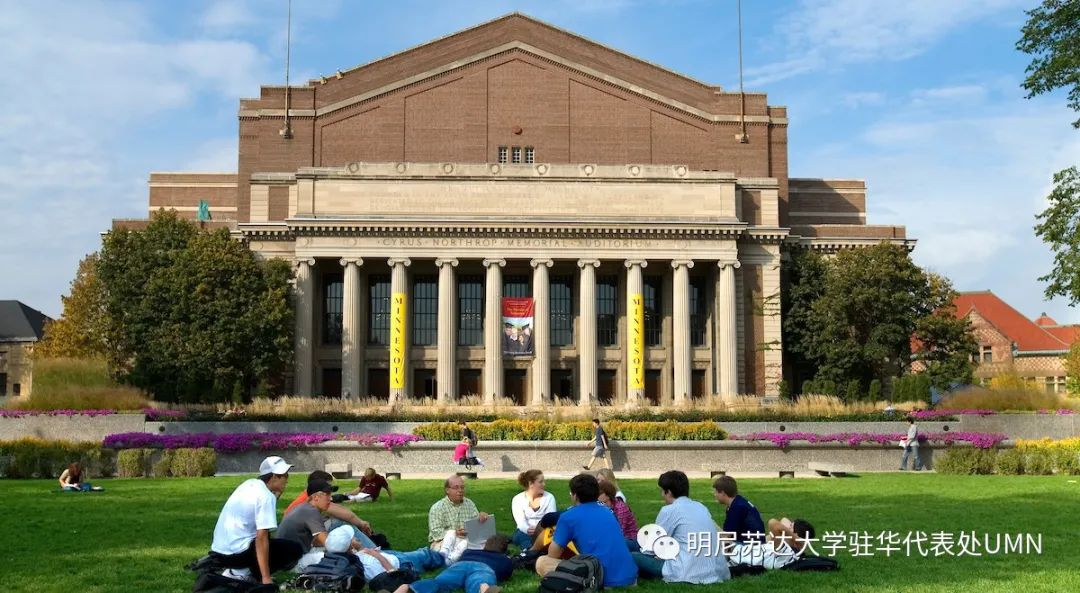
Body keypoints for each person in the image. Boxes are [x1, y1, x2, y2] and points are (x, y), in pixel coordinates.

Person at [208, 456, 303, 585]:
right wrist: (266, 578)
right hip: (236, 555)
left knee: (271, 541)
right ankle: (241, 573)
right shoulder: (265, 496)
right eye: (285, 476)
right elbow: (261, 538)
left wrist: (276, 496)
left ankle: (242, 571)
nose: (287, 480)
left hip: (219, 551)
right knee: (294, 549)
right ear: (274, 477)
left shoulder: (250, 484)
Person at [535, 473, 637, 587]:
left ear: (575, 496)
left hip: (599, 578)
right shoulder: (608, 511)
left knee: (542, 562)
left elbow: (553, 554)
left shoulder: (568, 517)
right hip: (630, 577)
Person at [632, 471, 730, 584]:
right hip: (714, 570)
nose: (662, 495)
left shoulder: (669, 510)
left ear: (668, 492)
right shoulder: (701, 507)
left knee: (631, 556)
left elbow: (652, 548)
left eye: (662, 491)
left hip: (684, 571)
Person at [381, 534, 513, 593]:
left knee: (439, 582)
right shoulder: (503, 560)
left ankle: (407, 589)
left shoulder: (469, 551)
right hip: (483, 568)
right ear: (503, 550)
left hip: (460, 565)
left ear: (485, 545)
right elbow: (504, 572)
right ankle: (483, 588)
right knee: (479, 580)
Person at [284, 470, 378, 548]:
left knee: (338, 526)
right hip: (295, 553)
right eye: (327, 493)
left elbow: (338, 509)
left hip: (295, 547)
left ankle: (371, 551)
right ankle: (373, 551)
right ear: (316, 495)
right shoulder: (310, 510)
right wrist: (349, 541)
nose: (331, 498)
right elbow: (328, 543)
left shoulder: (307, 503)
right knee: (339, 525)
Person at [322, 526, 445, 583]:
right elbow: (391, 572)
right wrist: (375, 554)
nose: (355, 537)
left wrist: (364, 550)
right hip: (400, 563)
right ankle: (446, 555)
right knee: (426, 555)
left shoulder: (346, 560)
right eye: (352, 538)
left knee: (418, 552)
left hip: (388, 555)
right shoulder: (365, 564)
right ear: (349, 546)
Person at [277, 480, 336, 570]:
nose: (330, 499)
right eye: (327, 495)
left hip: (286, 559)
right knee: (338, 558)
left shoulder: (305, 507)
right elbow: (329, 544)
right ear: (315, 497)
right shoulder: (311, 512)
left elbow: (316, 542)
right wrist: (349, 543)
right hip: (293, 563)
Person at [727, 518, 816, 570]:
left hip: (733, 557)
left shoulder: (787, 553)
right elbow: (784, 519)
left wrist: (795, 538)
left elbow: (772, 523)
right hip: (737, 549)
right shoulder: (783, 544)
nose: (786, 528)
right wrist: (796, 538)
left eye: (790, 527)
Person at [428, 475, 491, 549]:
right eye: (456, 487)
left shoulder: (469, 504)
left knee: (491, 546)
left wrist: (482, 518)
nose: (460, 490)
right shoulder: (437, 507)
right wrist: (454, 533)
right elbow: (436, 532)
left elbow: (476, 526)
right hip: (443, 542)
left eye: (462, 487)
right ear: (447, 490)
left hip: (467, 541)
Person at [510, 469, 557, 549]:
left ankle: (534, 551)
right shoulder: (517, 499)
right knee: (523, 538)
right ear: (530, 484)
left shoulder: (549, 497)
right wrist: (527, 529)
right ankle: (529, 552)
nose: (544, 484)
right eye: (540, 482)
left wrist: (539, 530)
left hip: (544, 530)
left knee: (547, 539)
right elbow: (521, 522)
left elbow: (550, 519)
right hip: (524, 531)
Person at [712, 476, 765, 543]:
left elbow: (726, 535)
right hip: (754, 542)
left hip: (749, 546)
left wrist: (710, 523)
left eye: (716, 492)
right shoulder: (738, 502)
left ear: (723, 493)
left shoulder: (736, 508)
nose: (714, 495)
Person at [598, 480, 638, 551]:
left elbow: (619, 532)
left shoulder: (620, 508)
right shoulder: (603, 507)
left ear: (608, 495)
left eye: (600, 493)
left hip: (630, 540)